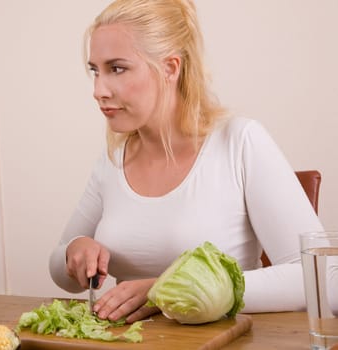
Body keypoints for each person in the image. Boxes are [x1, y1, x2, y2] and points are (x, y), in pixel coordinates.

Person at [49, 0, 324, 324]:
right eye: (95, 70)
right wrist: (75, 250)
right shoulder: (113, 159)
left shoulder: (240, 142)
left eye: (117, 68)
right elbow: (60, 270)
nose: (98, 90)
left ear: (170, 67)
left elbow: (324, 278)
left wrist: (165, 291)